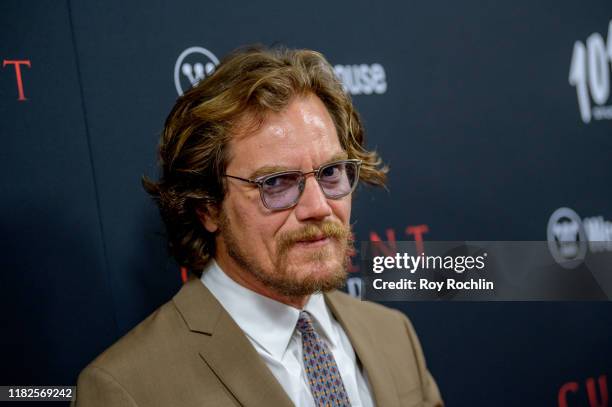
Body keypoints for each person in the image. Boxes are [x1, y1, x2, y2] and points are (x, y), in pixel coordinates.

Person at [73, 45, 443, 407]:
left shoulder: (394, 335)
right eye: (277, 183)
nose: (318, 207)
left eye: (331, 173)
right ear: (208, 208)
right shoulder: (126, 391)